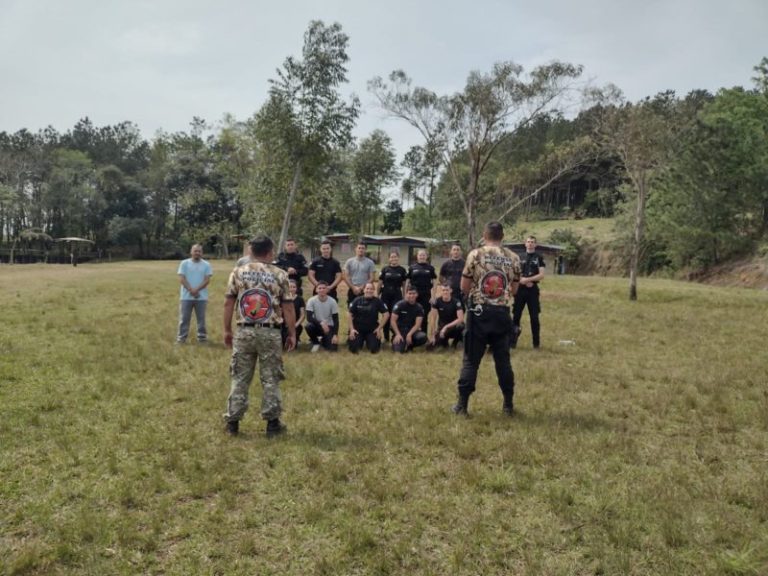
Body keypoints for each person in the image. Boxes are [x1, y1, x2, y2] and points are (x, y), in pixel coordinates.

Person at [222, 235, 296, 437]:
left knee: (240, 377)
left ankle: (233, 424)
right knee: (270, 378)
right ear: (270, 252)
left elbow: (229, 303)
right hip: (269, 331)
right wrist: (292, 333)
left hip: (244, 330)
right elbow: (288, 307)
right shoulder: (280, 274)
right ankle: (272, 425)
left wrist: (227, 330)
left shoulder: (238, 272)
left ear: (250, 251)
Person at [453, 221, 521, 417]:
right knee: (503, 361)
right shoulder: (514, 258)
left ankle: (462, 406)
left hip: (479, 312)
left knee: (471, 361)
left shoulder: (476, 254)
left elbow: (464, 287)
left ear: (484, 234)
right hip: (502, 313)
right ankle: (508, 405)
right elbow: (515, 289)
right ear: (503, 236)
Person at [511, 235, 546, 349]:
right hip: (520, 290)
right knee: (516, 316)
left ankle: (536, 344)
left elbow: (541, 275)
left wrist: (529, 280)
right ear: (525, 243)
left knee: (534, 317)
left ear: (535, 244)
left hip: (532, 291)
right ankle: (512, 342)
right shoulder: (518, 256)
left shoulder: (539, 257)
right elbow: (514, 272)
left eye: (532, 242)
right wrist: (521, 280)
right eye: (528, 242)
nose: (530, 243)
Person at [176, 243, 213, 344]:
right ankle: (181, 339)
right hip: (186, 297)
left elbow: (207, 280)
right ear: (191, 252)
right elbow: (181, 278)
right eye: (195, 251)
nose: (197, 253)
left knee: (201, 319)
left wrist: (196, 290)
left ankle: (202, 338)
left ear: (202, 253)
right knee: (184, 319)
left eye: (199, 251)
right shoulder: (184, 263)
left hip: (201, 297)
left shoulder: (206, 265)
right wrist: (191, 290)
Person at [347, 282, 390, 354]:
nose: (369, 291)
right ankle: (357, 341)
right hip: (358, 329)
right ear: (364, 290)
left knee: (374, 349)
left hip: (372, 330)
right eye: (367, 288)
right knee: (354, 349)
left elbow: (386, 314)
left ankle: (370, 341)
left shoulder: (377, 301)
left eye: (371, 289)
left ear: (373, 290)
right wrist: (352, 329)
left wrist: (379, 328)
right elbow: (349, 313)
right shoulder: (357, 300)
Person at [377, 251, 408, 342]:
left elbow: (404, 285)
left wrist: (404, 296)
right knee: (386, 315)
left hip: (397, 296)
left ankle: (395, 335)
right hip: (385, 295)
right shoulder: (385, 269)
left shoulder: (402, 270)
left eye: (395, 257)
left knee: (395, 316)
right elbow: (379, 283)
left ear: (398, 258)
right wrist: (376, 294)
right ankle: (386, 337)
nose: (394, 258)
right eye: (392, 257)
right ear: (389, 258)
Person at [390, 286, 428, 353]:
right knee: (398, 351)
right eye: (410, 293)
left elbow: (417, 324)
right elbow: (393, 321)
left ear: (417, 294)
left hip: (412, 331)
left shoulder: (419, 308)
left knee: (423, 337)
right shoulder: (399, 305)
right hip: (400, 331)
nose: (412, 295)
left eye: (413, 293)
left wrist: (409, 334)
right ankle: (396, 340)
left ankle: (410, 345)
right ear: (406, 294)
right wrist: (398, 334)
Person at [304, 281, 340, 352]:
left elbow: (336, 319)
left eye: (324, 288)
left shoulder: (332, 301)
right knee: (308, 326)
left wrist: (335, 335)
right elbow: (309, 317)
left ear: (327, 290)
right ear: (316, 290)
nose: (322, 290)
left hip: (329, 327)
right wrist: (321, 323)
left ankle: (323, 339)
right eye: (319, 288)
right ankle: (315, 342)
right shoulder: (311, 300)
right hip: (317, 325)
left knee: (332, 349)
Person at [429, 284, 465, 349]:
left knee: (461, 326)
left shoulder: (456, 302)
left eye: (447, 290)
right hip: (442, 328)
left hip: (453, 327)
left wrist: (446, 327)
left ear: (451, 290)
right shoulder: (437, 301)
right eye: (443, 290)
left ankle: (455, 343)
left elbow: (461, 319)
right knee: (431, 347)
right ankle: (444, 343)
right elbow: (432, 319)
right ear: (441, 291)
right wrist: (433, 335)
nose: (445, 292)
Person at [343, 242, 376, 309]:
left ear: (365, 250)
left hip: (365, 291)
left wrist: (361, 288)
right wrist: (353, 287)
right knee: (351, 310)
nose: (361, 250)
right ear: (356, 249)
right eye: (359, 248)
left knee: (364, 310)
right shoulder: (349, 261)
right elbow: (345, 276)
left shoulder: (370, 263)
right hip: (352, 290)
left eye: (363, 248)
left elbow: (372, 278)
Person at [406, 249, 437, 317]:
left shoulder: (431, 268)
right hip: (414, 295)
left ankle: (423, 327)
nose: (422, 257)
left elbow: (435, 283)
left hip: (426, 295)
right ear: (417, 256)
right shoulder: (412, 267)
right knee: (412, 314)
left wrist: (433, 297)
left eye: (423, 255)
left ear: (426, 256)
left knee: (424, 315)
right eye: (420, 255)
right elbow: (407, 282)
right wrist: (406, 294)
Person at [282, 279, 305, 350]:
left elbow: (302, 315)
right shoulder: (282, 298)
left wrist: (296, 325)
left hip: (295, 325)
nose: (292, 289)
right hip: (283, 324)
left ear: (297, 288)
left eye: (294, 287)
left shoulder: (300, 299)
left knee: (293, 347)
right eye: (290, 287)